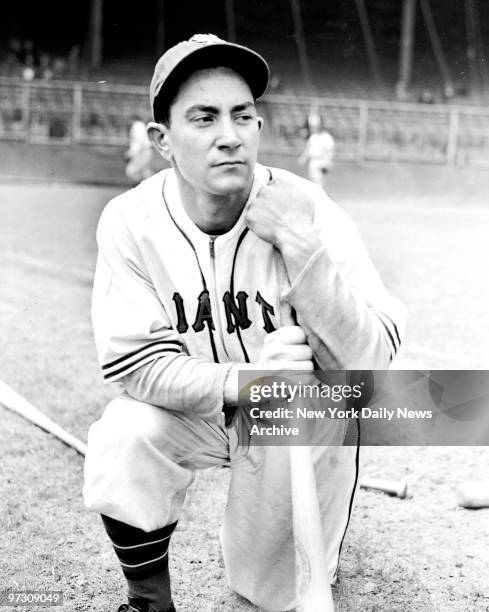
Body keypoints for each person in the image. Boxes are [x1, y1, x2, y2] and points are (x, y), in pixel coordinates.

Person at [83, 34, 406, 612]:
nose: (229, 135)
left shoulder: (309, 211)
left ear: (259, 126)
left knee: (264, 591)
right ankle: (148, 602)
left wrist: (302, 249)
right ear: (162, 140)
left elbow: (372, 364)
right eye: (203, 118)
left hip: (296, 421)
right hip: (204, 410)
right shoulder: (130, 222)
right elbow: (133, 365)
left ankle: (301, 545)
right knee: (125, 433)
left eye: (242, 116)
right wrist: (247, 381)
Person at [298, 110, 336, 190]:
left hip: (321, 161)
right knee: (312, 182)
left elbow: (330, 151)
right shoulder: (313, 137)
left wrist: (327, 163)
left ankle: (319, 200)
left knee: (319, 183)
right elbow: (308, 149)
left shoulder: (326, 137)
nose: (313, 128)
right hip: (313, 161)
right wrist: (303, 158)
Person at [125, 116, 154, 184]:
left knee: (131, 171)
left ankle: (139, 188)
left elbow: (139, 143)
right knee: (145, 172)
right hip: (144, 152)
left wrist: (130, 154)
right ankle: (157, 185)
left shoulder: (137, 126)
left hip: (142, 153)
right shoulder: (139, 125)